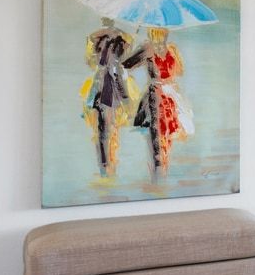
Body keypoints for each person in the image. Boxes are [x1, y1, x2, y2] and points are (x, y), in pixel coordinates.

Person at [125, 26, 193, 174]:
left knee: (155, 135)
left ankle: (158, 172)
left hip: (155, 95)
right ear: (166, 33)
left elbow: (127, 65)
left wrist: (130, 43)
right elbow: (180, 71)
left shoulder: (147, 48)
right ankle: (163, 170)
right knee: (166, 134)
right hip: (170, 96)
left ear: (151, 33)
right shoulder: (172, 49)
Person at [81, 20, 137, 176]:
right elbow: (120, 66)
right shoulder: (120, 38)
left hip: (98, 84)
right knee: (108, 127)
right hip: (109, 85)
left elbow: (90, 61)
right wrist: (126, 102)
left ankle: (104, 165)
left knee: (102, 128)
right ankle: (108, 166)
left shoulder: (95, 37)